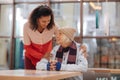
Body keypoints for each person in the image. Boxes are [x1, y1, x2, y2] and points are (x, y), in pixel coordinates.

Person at [23, 5, 58, 69]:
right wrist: (42, 56)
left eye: (48, 20)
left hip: (46, 59)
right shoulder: (27, 26)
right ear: (37, 19)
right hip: (30, 58)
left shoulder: (53, 26)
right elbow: (27, 47)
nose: (46, 23)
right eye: (43, 21)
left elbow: (62, 37)